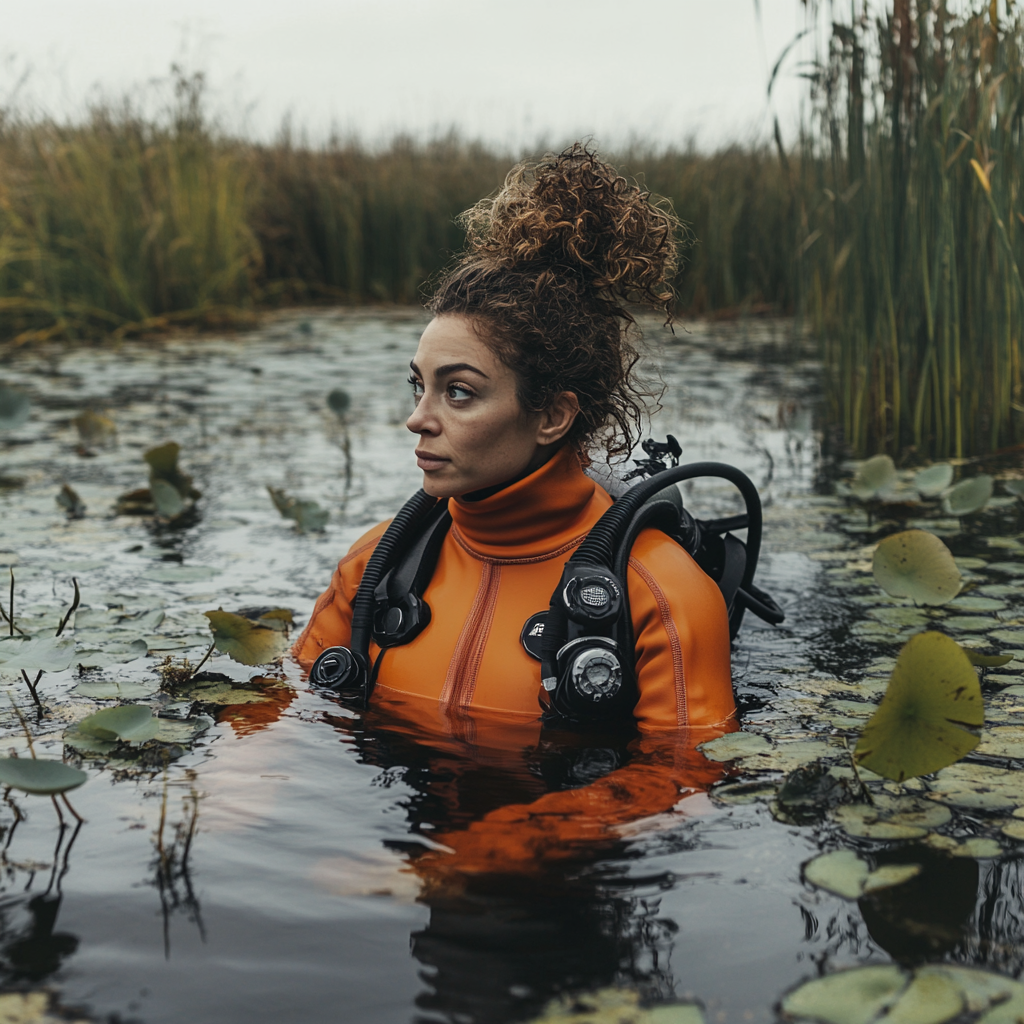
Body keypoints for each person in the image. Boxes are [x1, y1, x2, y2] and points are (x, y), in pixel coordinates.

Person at [293, 143, 735, 733]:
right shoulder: (376, 564)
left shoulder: (662, 593)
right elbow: (291, 720)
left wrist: (508, 830)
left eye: (459, 392)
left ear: (552, 415)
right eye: (418, 385)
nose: (417, 418)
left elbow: (677, 787)